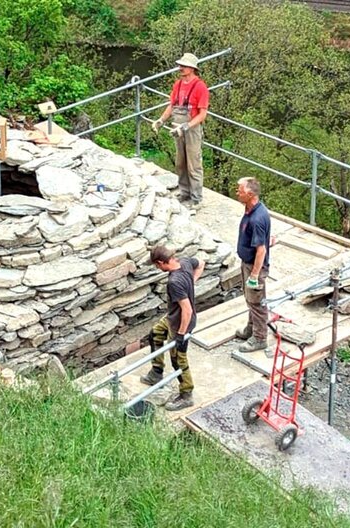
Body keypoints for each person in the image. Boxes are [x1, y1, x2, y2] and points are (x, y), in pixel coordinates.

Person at [140, 245, 205, 411]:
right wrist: (191, 283)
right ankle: (156, 372)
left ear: (161, 262)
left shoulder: (174, 282)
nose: (157, 268)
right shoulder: (185, 262)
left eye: (156, 265)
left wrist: (181, 335)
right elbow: (201, 263)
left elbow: (187, 310)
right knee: (155, 334)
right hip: (172, 318)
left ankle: (186, 394)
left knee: (178, 358)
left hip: (181, 323)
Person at [151, 53, 210, 207]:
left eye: (183, 66)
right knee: (180, 163)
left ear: (192, 68)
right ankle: (184, 193)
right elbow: (172, 105)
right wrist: (161, 120)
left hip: (192, 130)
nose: (180, 68)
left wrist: (186, 126)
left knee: (193, 165)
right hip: (177, 128)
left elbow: (202, 114)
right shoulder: (177, 85)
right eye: (180, 65)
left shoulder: (200, 87)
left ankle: (196, 199)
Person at [235, 177, 272, 354]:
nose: (237, 192)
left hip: (254, 267)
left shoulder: (257, 218)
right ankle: (251, 329)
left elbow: (261, 250)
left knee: (257, 302)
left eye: (240, 190)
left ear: (250, 194)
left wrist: (254, 275)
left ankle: (260, 338)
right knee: (250, 299)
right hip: (247, 263)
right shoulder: (250, 209)